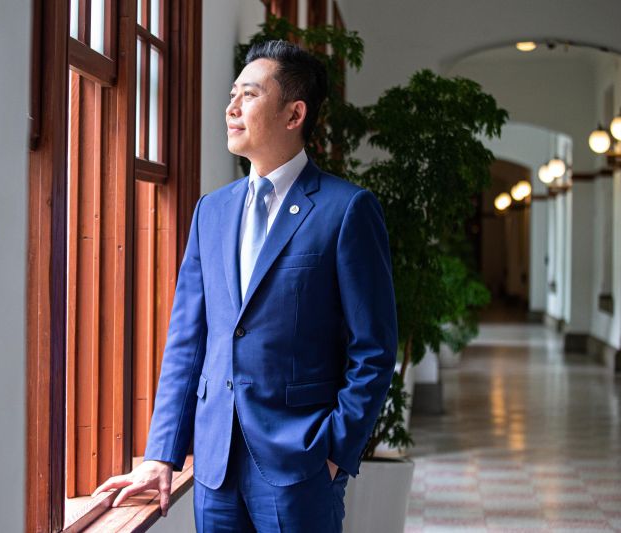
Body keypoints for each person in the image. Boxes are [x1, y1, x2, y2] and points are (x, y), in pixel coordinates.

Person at [93, 39, 397, 532]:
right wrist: (161, 454)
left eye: (249, 95)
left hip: (301, 464)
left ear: (294, 113)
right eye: (232, 94)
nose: (231, 107)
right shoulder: (211, 211)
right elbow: (189, 340)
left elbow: (375, 349)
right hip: (215, 467)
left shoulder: (346, 210)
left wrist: (335, 452)